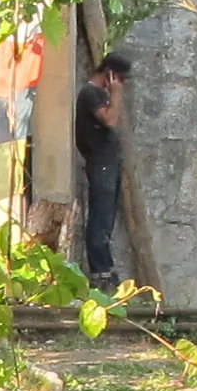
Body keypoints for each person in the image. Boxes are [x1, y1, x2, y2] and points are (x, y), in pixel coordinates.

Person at [74, 54, 132, 290]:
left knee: (106, 219)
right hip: (100, 163)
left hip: (109, 163)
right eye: (120, 78)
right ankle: (101, 272)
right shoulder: (91, 94)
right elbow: (109, 120)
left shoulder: (99, 95)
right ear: (109, 73)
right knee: (100, 219)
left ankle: (105, 268)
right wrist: (116, 94)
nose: (122, 84)